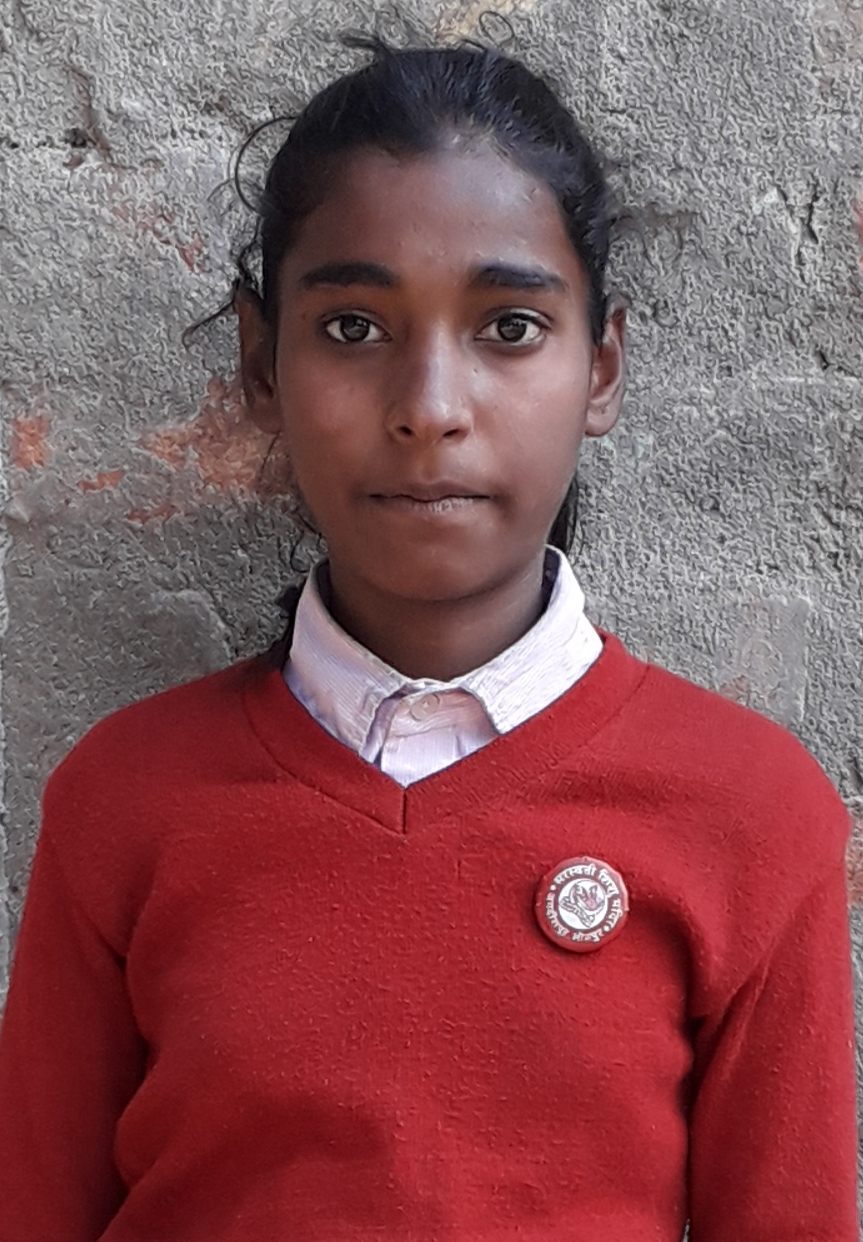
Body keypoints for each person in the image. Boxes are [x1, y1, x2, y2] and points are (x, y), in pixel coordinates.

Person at [0, 36, 858, 1242]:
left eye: (508, 327)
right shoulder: (125, 801)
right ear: (261, 363)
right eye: (353, 328)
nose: (428, 408)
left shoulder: (748, 813)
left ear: (600, 367)